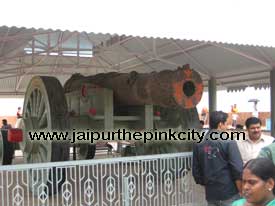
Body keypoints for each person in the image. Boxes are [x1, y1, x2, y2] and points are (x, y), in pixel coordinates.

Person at [192, 111, 243, 206]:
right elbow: (237, 169)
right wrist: (241, 190)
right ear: (220, 124)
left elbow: (196, 170)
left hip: (211, 193)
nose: (227, 127)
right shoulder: (229, 142)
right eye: (226, 124)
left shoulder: (199, 142)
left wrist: (205, 183)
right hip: (229, 192)